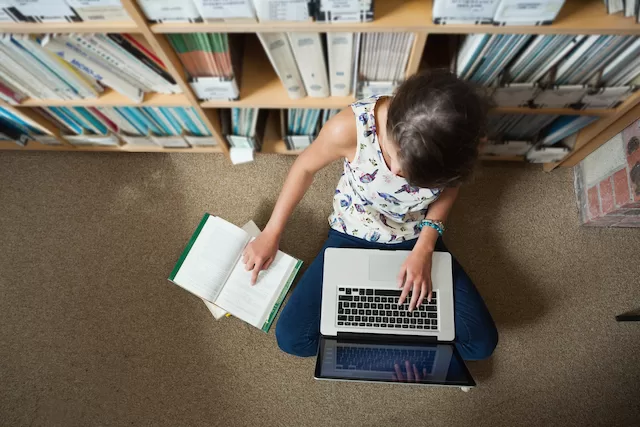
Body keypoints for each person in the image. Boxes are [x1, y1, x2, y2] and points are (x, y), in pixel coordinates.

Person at [242, 69, 498, 362]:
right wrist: (272, 233)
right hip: (351, 231)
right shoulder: (350, 127)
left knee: (480, 345)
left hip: (417, 236)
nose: (400, 175)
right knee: (292, 339)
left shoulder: (460, 144)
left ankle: (386, 342)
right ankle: (396, 344)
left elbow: (450, 189)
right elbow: (304, 168)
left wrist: (425, 248)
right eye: (401, 165)